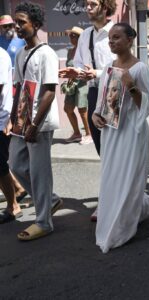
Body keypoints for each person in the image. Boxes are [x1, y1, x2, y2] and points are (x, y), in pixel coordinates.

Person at [92, 23, 149, 253]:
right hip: (110, 132)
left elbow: (147, 106)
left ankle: (121, 227)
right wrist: (95, 115)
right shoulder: (108, 67)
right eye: (110, 38)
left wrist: (132, 88)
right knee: (111, 178)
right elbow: (102, 102)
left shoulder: (140, 69)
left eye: (116, 37)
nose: (112, 42)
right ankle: (136, 208)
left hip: (132, 133)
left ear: (130, 40)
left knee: (128, 179)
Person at [9, 2, 63, 241]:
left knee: (40, 173)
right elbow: (19, 87)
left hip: (40, 123)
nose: (17, 26)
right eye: (16, 22)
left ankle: (44, 222)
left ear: (36, 25)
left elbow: (50, 91)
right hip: (22, 121)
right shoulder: (21, 53)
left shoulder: (47, 54)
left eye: (22, 22)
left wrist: (34, 125)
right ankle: (50, 200)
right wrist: (13, 117)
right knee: (16, 164)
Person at [59, 0, 117, 156]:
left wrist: (97, 73)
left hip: (114, 92)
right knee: (99, 142)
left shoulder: (116, 32)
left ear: (105, 7)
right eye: (87, 4)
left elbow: (123, 66)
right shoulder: (85, 34)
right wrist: (75, 72)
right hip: (93, 92)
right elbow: (79, 62)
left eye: (93, 4)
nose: (88, 8)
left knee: (116, 141)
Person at [0, 46, 22, 223]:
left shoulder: (0, 55)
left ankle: (13, 205)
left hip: (1, 119)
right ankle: (18, 188)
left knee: (0, 165)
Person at [59, 26, 91, 144]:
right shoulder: (70, 51)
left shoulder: (85, 51)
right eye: (70, 35)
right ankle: (77, 133)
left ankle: (89, 133)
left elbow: (88, 67)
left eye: (74, 36)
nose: (71, 38)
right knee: (67, 109)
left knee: (82, 109)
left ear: (80, 38)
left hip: (82, 82)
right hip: (71, 83)